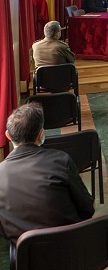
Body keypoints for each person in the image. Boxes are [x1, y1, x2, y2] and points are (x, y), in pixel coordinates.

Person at [0, 103, 95, 244]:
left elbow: (4, 231)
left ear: (8, 135)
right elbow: (87, 209)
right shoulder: (61, 160)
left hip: (29, 258)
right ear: (41, 134)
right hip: (74, 251)